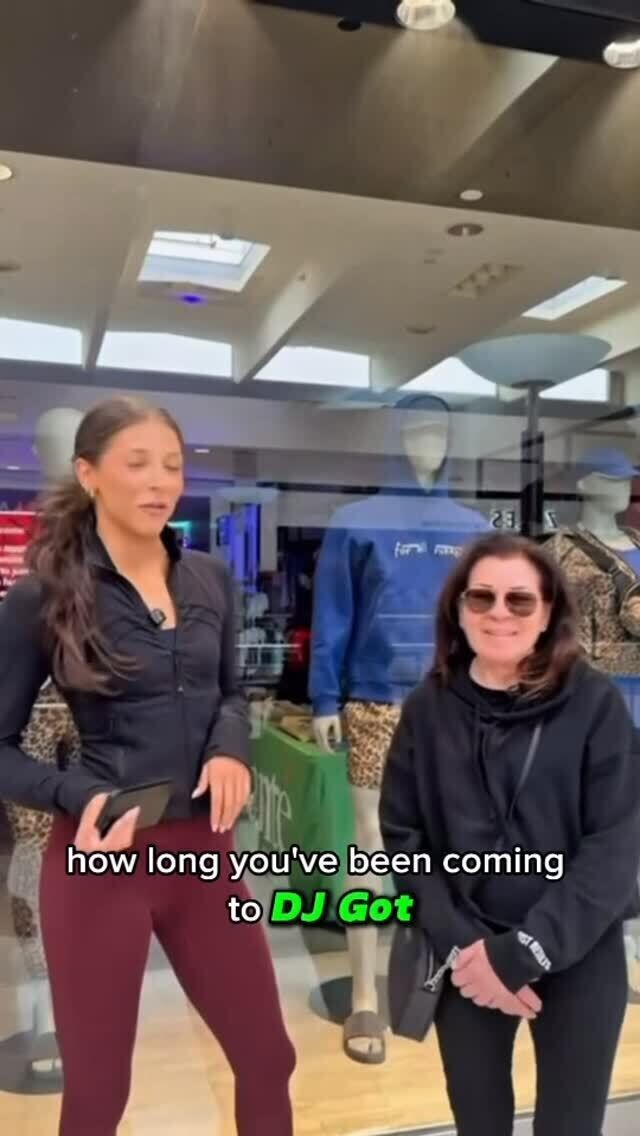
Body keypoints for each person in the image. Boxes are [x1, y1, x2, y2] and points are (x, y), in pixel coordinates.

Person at [0, 396, 296, 1136]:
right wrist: (75, 793)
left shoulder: (210, 579)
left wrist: (230, 748)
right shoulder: (42, 596)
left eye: (172, 464)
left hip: (204, 859)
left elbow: (231, 693)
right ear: (89, 474)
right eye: (138, 464)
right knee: (99, 1092)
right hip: (102, 866)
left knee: (269, 1058)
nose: (160, 481)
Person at [379, 531, 640, 1136]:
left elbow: (615, 846)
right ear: (459, 610)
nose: (499, 613)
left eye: (520, 600)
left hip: (576, 951)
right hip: (465, 954)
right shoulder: (428, 707)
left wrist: (523, 953)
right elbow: (404, 838)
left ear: (548, 613)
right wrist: (470, 949)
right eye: (482, 597)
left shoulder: (596, 704)